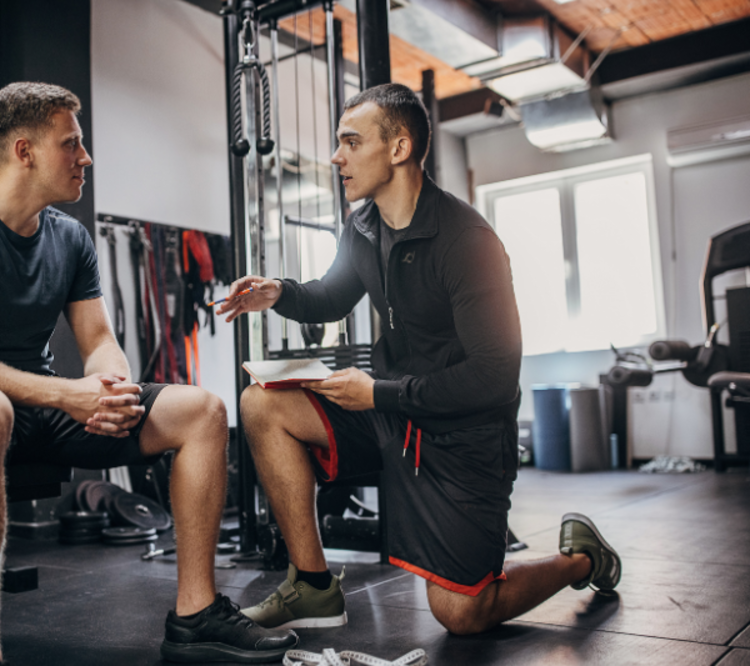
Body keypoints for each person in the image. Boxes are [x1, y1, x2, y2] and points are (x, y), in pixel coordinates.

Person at [0, 81, 296, 665]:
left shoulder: (70, 236)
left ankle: (195, 614)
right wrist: (66, 394)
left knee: (201, 411)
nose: (85, 157)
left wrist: (113, 389)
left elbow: (100, 339)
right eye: (72, 144)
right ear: (25, 151)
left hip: (39, 406)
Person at [217, 83, 622, 635]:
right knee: (261, 406)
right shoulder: (363, 227)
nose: (337, 156)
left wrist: (378, 393)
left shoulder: (468, 241)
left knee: (462, 613)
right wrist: (277, 293)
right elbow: (333, 295)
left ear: (399, 148)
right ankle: (312, 587)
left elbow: (495, 376)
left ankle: (583, 559)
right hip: (388, 414)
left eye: (351, 142)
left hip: (463, 438)